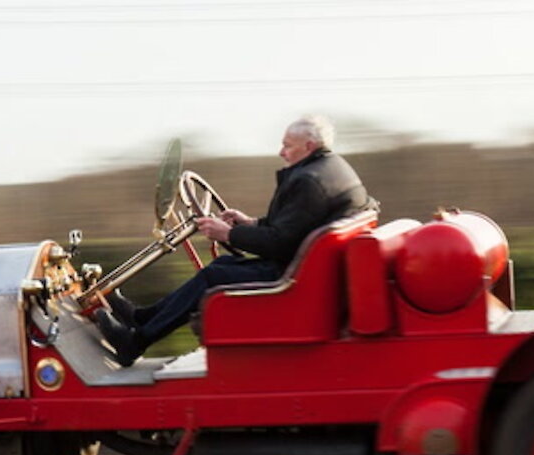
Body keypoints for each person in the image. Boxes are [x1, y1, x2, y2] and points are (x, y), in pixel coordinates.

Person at [96, 115, 376, 366]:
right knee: (226, 263)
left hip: (294, 279)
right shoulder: (330, 169)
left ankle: (134, 343)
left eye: (288, 145)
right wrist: (250, 223)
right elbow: (296, 225)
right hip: (306, 267)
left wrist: (227, 233)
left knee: (214, 276)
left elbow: (279, 243)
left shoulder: (309, 182)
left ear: (309, 146)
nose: (281, 152)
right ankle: (142, 319)